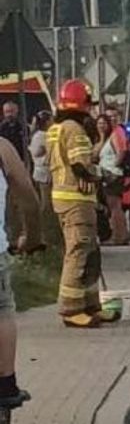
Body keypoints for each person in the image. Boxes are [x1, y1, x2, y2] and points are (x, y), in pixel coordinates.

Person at [47, 80, 117, 329]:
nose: (90, 110)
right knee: (79, 251)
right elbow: (80, 166)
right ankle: (71, 309)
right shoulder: (74, 129)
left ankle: (90, 305)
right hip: (75, 199)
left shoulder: (56, 128)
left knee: (90, 253)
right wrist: (103, 175)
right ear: (82, 104)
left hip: (67, 198)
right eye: (88, 104)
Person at [0, 134, 44, 408]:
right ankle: (5, 384)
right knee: (2, 310)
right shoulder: (2, 147)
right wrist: (32, 236)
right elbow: (28, 196)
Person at [95, 113, 129, 246]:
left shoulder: (115, 134)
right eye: (99, 123)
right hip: (107, 175)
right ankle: (122, 235)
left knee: (115, 207)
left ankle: (118, 237)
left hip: (112, 176)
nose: (101, 126)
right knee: (114, 207)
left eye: (104, 123)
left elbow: (121, 152)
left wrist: (114, 166)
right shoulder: (104, 138)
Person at [28, 110, 52, 204]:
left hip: (39, 173)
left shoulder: (36, 135)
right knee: (46, 202)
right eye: (51, 120)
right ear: (46, 122)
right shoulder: (43, 136)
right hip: (43, 174)